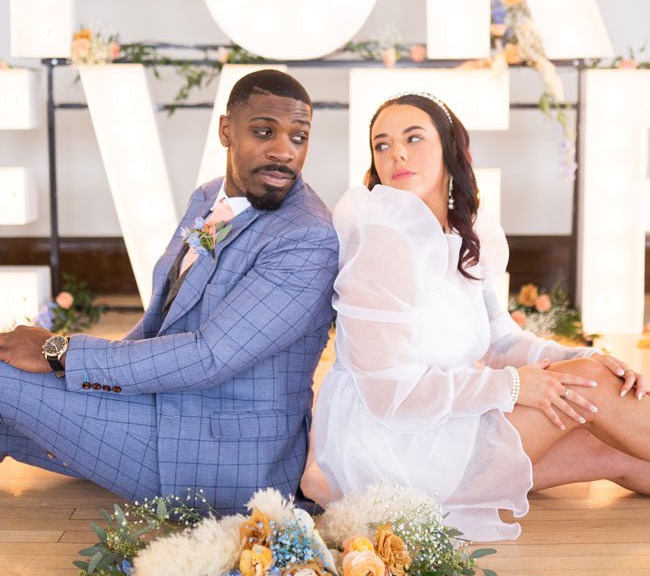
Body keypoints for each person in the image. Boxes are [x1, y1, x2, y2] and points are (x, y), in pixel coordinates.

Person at [309, 92, 649, 540]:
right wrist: (514, 387)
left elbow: (500, 342)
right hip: (395, 446)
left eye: (414, 137)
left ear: (450, 147)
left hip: (447, 422)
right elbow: (393, 396)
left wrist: (580, 352)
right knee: (592, 385)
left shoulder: (465, 232)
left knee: (620, 455)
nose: (398, 154)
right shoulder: (382, 243)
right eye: (382, 145)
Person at [0, 70, 339, 513]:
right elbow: (164, 314)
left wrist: (59, 351)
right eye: (263, 132)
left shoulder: (307, 236)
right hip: (166, 412)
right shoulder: (207, 199)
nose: (284, 152)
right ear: (225, 131)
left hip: (222, 456)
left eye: (299, 137)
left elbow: (209, 355)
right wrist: (90, 384)